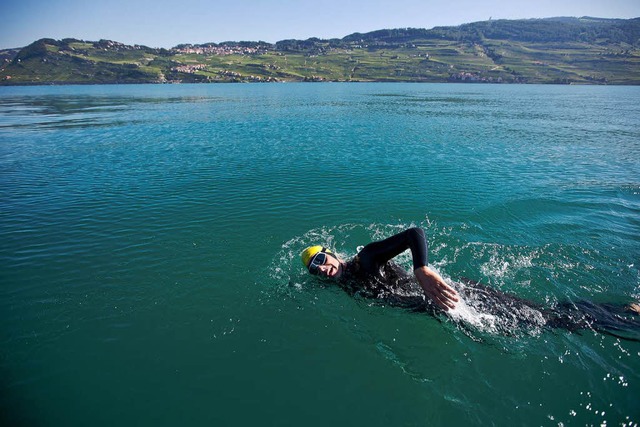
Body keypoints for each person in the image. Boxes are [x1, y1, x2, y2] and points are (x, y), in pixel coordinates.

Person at [300, 227, 640, 340]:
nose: (322, 270)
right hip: (443, 309)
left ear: (331, 252)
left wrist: (422, 269)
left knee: (544, 319)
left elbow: (415, 233)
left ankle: (624, 314)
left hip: (456, 295)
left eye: (321, 260)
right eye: (315, 271)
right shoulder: (343, 284)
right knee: (530, 325)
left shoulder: (367, 258)